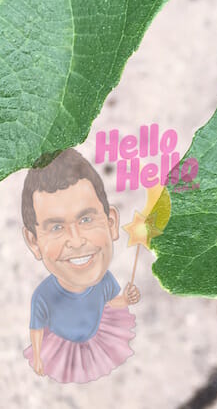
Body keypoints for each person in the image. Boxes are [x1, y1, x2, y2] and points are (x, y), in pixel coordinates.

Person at [20, 148, 140, 383]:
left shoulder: (105, 280)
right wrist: (37, 355)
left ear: (112, 223)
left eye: (86, 219)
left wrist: (124, 300)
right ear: (34, 242)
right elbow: (36, 328)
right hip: (60, 346)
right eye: (56, 227)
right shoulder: (43, 295)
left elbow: (106, 304)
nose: (76, 241)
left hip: (95, 337)